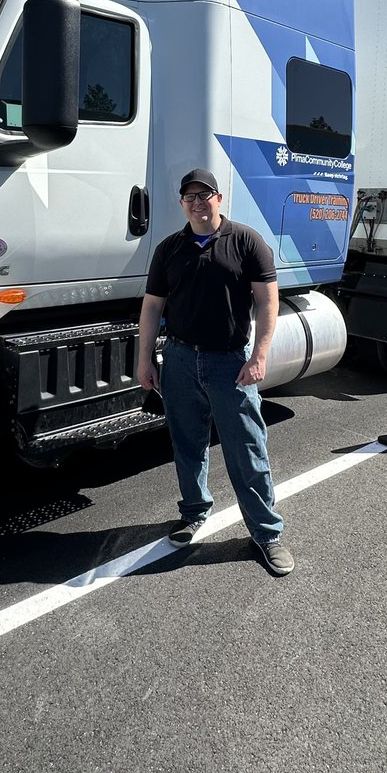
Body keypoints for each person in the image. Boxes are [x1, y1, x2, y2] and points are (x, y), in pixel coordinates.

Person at [137, 168, 294, 576]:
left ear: (218, 198)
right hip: (180, 359)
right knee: (187, 443)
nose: (196, 202)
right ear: (182, 203)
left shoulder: (246, 241)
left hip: (230, 362)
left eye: (204, 194)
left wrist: (259, 356)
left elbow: (267, 303)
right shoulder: (170, 248)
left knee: (246, 448)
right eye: (189, 196)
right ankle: (194, 512)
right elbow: (152, 306)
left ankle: (267, 533)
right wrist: (144, 360)